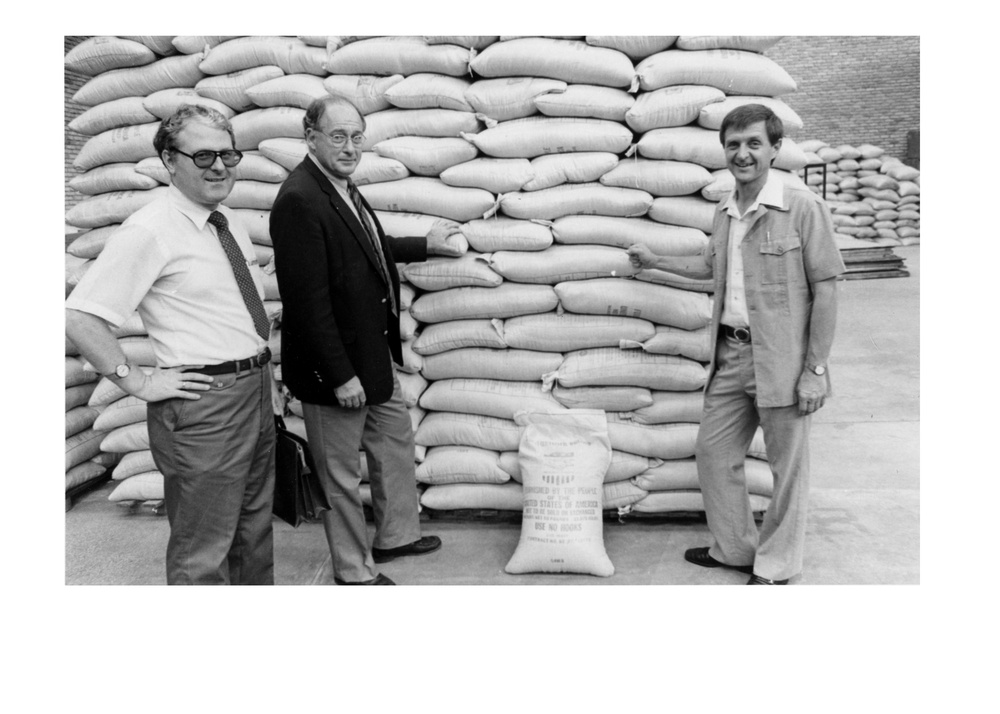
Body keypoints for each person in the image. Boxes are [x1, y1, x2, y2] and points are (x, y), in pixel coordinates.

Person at [628, 104, 846, 585]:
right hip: (730, 354)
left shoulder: (801, 207)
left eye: (753, 143)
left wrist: (815, 369)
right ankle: (733, 548)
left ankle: (776, 564)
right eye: (733, 145)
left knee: (786, 469)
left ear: (774, 149)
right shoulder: (726, 211)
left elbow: (828, 286)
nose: (742, 154)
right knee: (712, 452)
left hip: (784, 360)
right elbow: (710, 268)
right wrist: (654, 260)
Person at [66, 105, 276, 585]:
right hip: (204, 404)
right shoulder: (150, 229)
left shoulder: (226, 222)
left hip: (255, 390)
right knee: (203, 547)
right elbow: (81, 316)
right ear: (169, 159)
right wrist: (135, 379)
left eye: (228, 154)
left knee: (253, 532)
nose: (219, 166)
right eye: (203, 156)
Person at [269, 96, 463, 585]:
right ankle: (353, 572)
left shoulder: (341, 188)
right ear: (309, 136)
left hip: (372, 353)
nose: (350, 146)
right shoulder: (298, 199)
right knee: (338, 475)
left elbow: (366, 250)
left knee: (394, 441)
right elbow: (307, 305)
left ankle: (395, 536)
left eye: (357, 136)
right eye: (338, 136)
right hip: (336, 368)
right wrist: (341, 376)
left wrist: (424, 245)